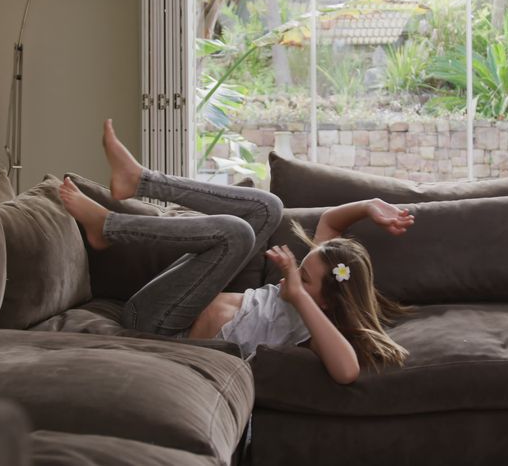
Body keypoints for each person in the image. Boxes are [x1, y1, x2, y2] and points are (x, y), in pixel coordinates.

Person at [59, 119, 414, 384]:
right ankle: (140, 181)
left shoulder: (313, 326)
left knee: (237, 235)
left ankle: (109, 227)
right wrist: (369, 205)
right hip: (177, 304)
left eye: (305, 279)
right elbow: (331, 223)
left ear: (326, 302)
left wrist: (297, 294)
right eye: (301, 268)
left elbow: (347, 370)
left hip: (162, 328)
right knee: (268, 208)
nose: (295, 276)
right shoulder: (319, 282)